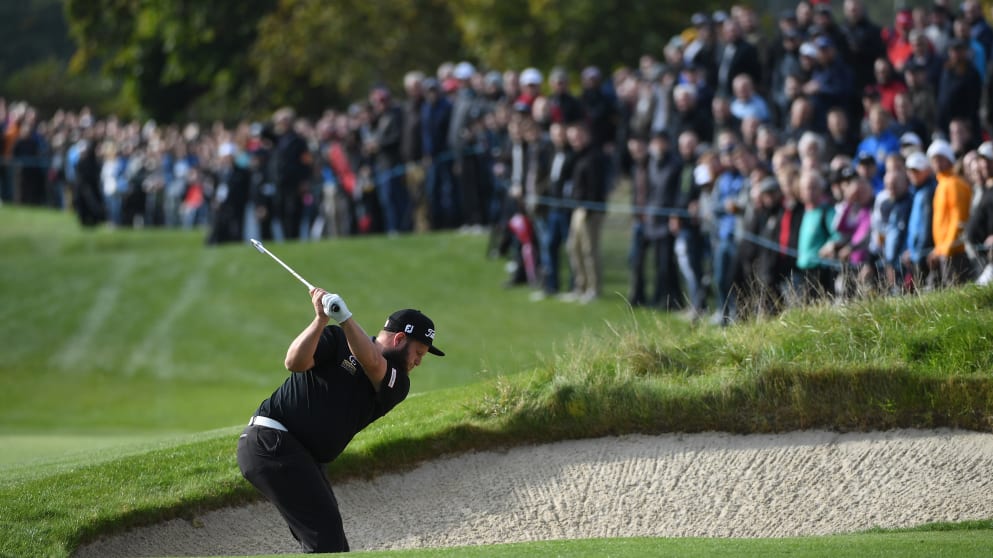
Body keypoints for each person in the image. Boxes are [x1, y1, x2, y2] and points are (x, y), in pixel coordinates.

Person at [237, 291, 444, 554]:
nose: (418, 362)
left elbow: (372, 363)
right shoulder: (336, 339)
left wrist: (345, 318)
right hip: (271, 441)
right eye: (419, 353)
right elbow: (294, 362)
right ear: (400, 339)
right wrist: (321, 321)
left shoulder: (397, 382)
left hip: (299, 457)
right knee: (326, 540)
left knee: (332, 544)